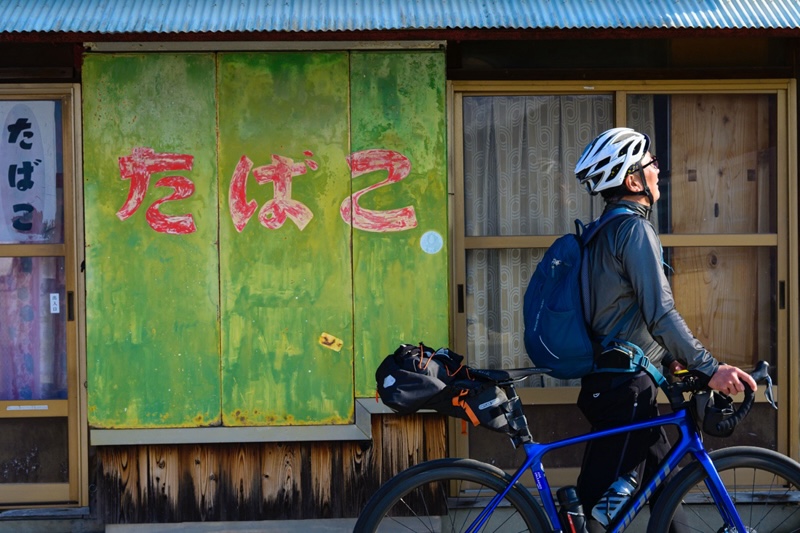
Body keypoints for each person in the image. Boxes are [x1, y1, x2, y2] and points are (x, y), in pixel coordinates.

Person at [572, 127, 758, 531]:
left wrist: (671, 360)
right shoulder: (633, 230)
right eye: (651, 163)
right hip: (625, 390)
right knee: (588, 513)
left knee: (665, 493)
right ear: (632, 179)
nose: (659, 169)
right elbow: (660, 313)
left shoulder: (602, 231)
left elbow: (624, 315)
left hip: (617, 383)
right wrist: (711, 368)